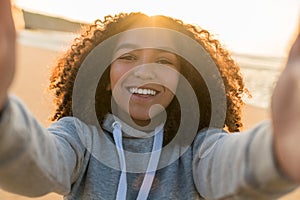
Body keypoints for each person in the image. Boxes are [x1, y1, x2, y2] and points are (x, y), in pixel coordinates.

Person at [0, 0, 300, 199]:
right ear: (105, 78)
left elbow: (234, 165)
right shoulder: (78, 137)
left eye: (165, 61)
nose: (144, 71)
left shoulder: (198, 147)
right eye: (128, 57)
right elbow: (35, 167)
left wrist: (277, 149)